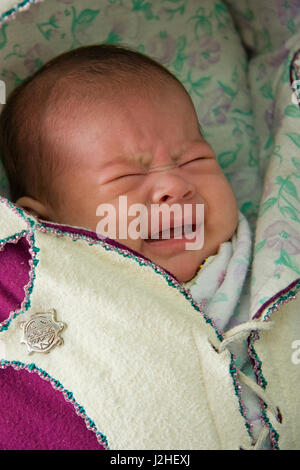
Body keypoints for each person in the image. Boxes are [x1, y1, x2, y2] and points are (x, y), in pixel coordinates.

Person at [0, 44, 298, 450]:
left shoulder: (273, 254)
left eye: (194, 160)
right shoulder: (44, 292)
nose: (175, 186)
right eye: (127, 176)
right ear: (49, 224)